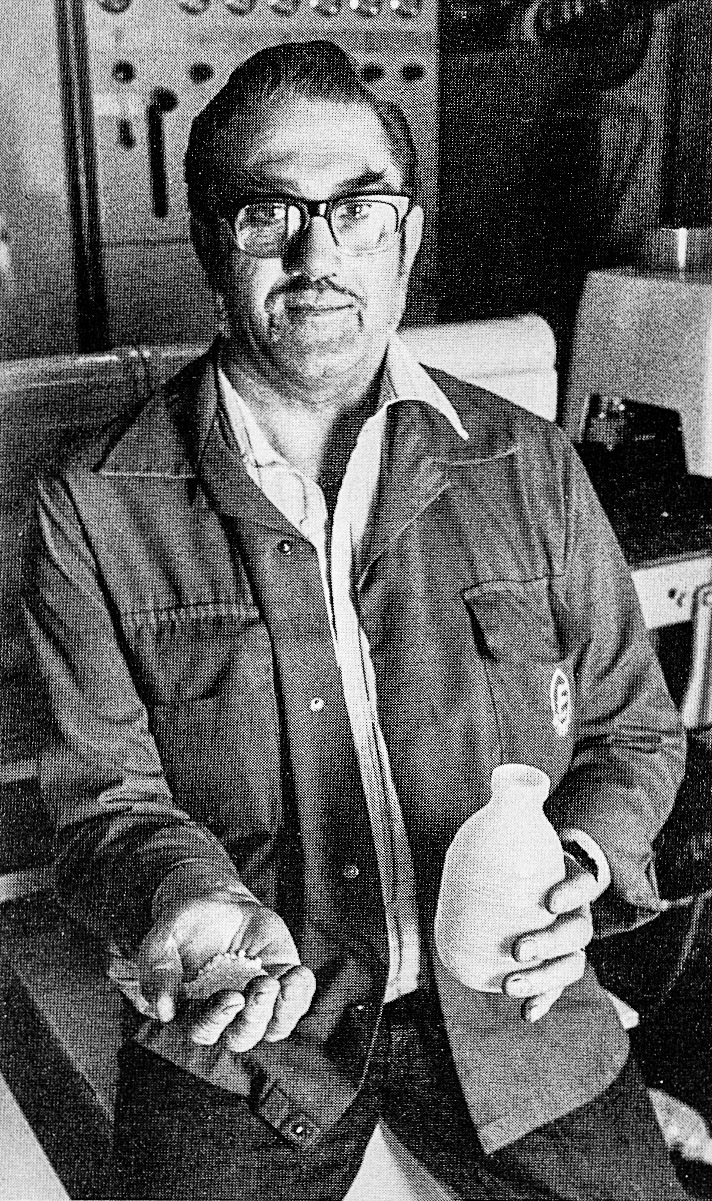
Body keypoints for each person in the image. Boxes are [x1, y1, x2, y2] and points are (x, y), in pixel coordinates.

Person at [22, 39, 689, 1201]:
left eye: (358, 210)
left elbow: (631, 731)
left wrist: (575, 868)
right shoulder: (92, 505)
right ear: (211, 244)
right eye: (268, 213)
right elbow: (105, 806)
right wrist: (182, 898)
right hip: (251, 1026)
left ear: (406, 236)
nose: (317, 255)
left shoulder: (528, 463)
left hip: (515, 1006)